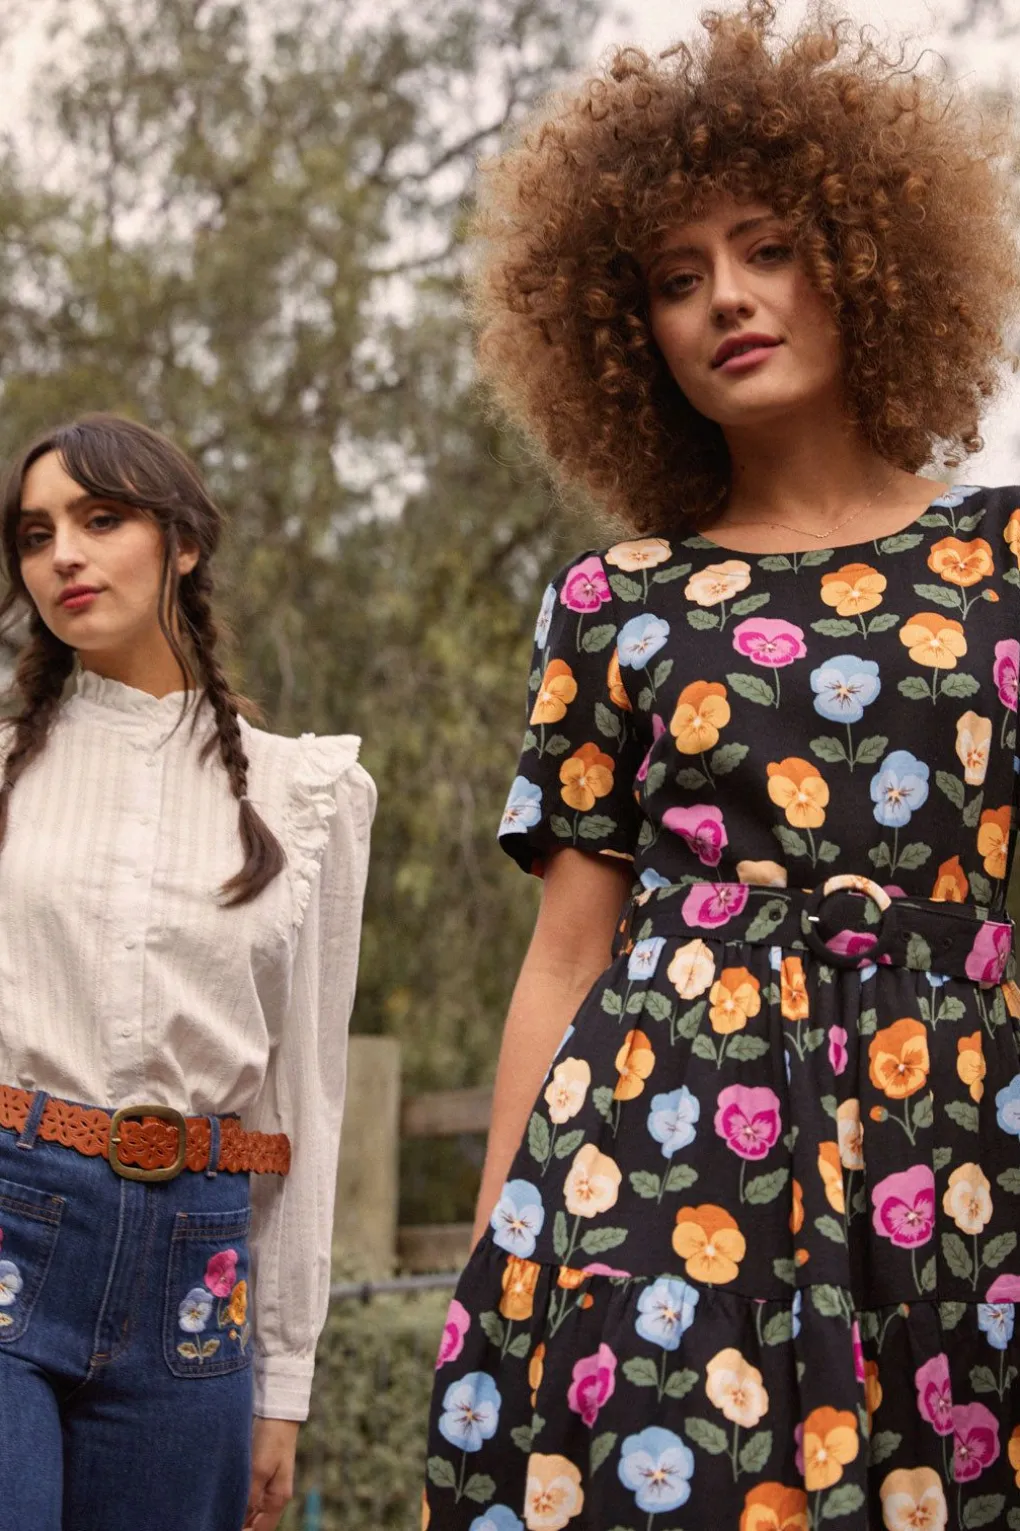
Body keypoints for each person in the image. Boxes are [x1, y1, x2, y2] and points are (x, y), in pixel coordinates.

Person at [424, 4, 1020, 1526]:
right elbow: (568, 954)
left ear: (867, 260)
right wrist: (497, 1256)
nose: (726, 300)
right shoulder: (611, 600)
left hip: (960, 1146)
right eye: (676, 279)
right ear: (630, 335)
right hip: (663, 1156)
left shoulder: (1005, 559)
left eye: (767, 249)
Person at [0, 414, 375, 1531]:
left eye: (100, 519)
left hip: (197, 1273)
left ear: (185, 542)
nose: (64, 555)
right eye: (36, 535)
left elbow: (306, 1098)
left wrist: (287, 1380)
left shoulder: (308, 796)